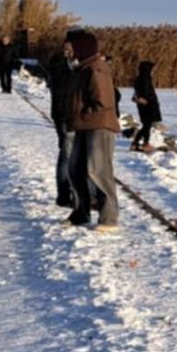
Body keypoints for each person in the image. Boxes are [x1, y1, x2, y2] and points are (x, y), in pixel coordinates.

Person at [60, 29, 120, 231]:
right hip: (83, 126)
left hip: (99, 126)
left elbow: (102, 102)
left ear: (81, 48)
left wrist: (82, 115)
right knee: (75, 169)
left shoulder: (96, 70)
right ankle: (80, 213)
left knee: (99, 170)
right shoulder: (80, 69)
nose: (66, 52)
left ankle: (109, 219)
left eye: (69, 48)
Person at [47, 48, 77, 207]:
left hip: (61, 114)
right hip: (66, 115)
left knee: (66, 152)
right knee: (67, 154)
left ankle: (64, 193)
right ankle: (65, 193)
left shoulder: (57, 68)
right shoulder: (61, 69)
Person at [130, 60, 162, 151]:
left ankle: (136, 143)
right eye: (152, 69)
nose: (153, 71)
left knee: (146, 125)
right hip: (147, 105)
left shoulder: (141, 78)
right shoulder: (145, 79)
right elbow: (146, 93)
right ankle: (145, 143)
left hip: (144, 105)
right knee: (147, 125)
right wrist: (151, 101)